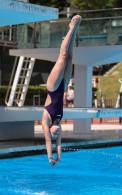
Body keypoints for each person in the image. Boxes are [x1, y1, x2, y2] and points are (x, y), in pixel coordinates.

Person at [42, 15, 82, 166]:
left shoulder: (46, 121)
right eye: (57, 134)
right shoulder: (58, 123)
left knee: (63, 56)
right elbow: (58, 143)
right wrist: (59, 157)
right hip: (63, 86)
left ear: (50, 130)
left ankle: (71, 28)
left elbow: (48, 141)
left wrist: (50, 158)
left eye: (54, 133)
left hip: (53, 87)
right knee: (70, 58)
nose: (57, 133)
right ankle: (75, 31)